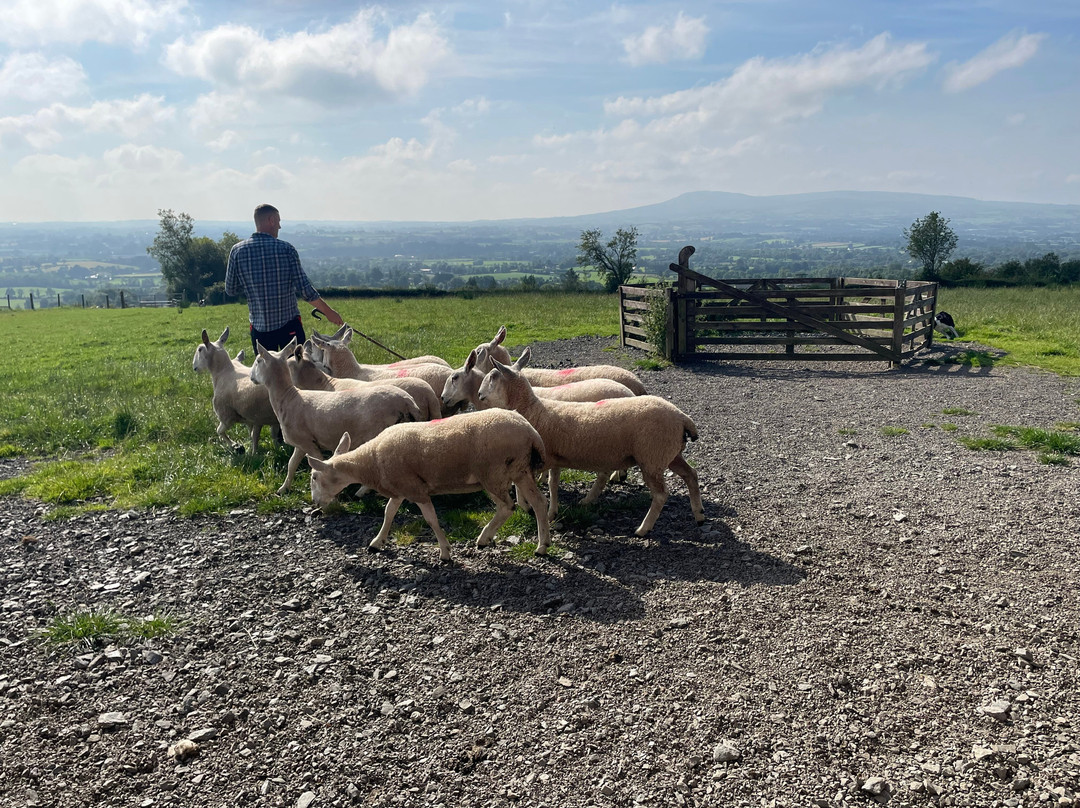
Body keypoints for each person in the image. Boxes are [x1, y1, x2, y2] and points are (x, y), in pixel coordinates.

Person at [225, 203, 343, 352]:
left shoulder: (237, 251)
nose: (279, 227)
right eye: (278, 221)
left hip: (259, 331)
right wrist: (328, 312)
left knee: (267, 368)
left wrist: (253, 286)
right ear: (271, 220)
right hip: (289, 328)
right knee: (297, 366)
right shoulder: (286, 249)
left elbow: (231, 290)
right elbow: (305, 290)